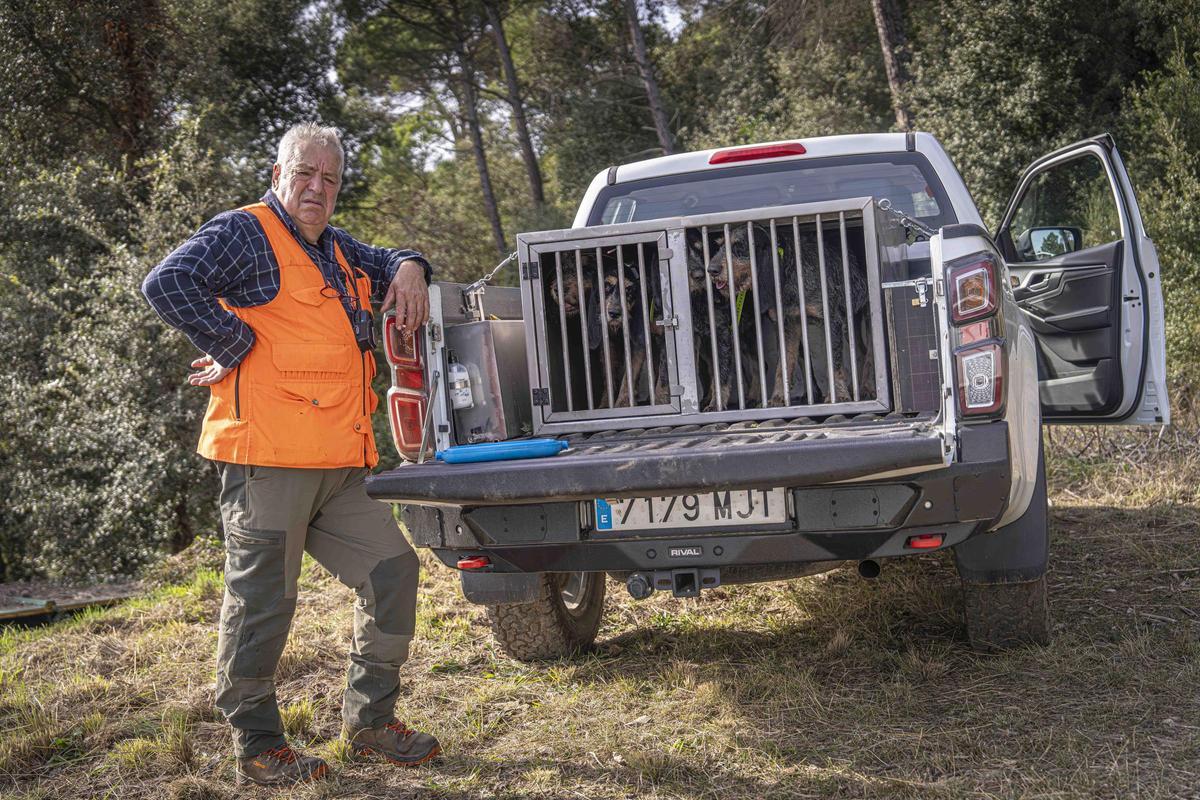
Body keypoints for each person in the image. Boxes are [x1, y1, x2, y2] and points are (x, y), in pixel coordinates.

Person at [142, 122, 439, 787]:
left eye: (329, 180)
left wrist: (413, 264)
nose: (316, 188)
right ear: (277, 174)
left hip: (338, 468)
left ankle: (369, 724)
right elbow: (165, 283)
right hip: (268, 460)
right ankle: (257, 748)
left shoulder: (334, 247)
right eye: (304, 174)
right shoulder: (244, 233)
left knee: (393, 572)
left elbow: (392, 258)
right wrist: (234, 342)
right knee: (262, 605)